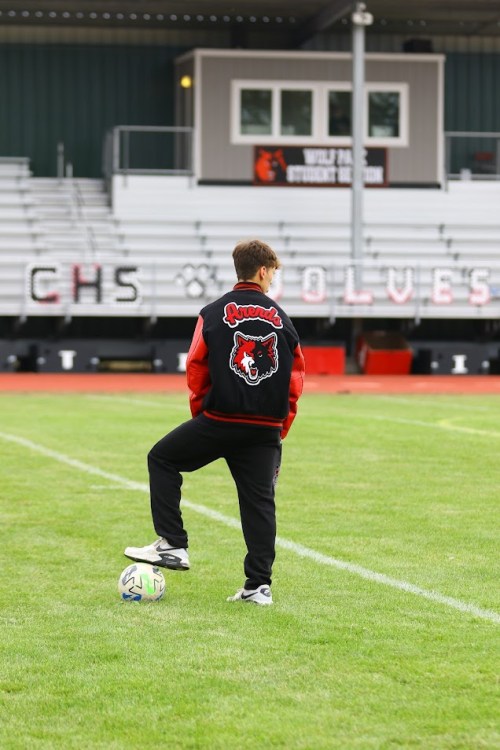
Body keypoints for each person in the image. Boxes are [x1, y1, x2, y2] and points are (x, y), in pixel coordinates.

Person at [124, 239, 305, 605]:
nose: (272, 279)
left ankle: (173, 544)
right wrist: (278, 431)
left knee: (162, 458)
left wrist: (202, 418)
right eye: (273, 273)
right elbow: (296, 379)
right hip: (264, 429)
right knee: (259, 504)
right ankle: (258, 587)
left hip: (220, 419)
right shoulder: (283, 320)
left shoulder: (212, 312)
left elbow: (196, 366)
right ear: (263, 271)